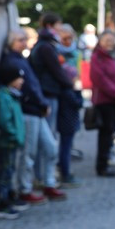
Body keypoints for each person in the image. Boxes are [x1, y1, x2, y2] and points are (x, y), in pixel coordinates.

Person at [0, 29, 64, 205]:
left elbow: (33, 84)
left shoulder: (21, 59)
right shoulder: (11, 61)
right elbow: (24, 88)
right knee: (28, 152)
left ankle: (48, 182)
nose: (23, 42)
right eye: (20, 40)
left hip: (36, 109)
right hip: (29, 110)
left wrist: (42, 103)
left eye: (24, 39)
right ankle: (25, 188)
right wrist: (40, 103)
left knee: (50, 147)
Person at [29, 13, 80, 184]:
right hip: (48, 94)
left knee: (47, 138)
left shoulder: (45, 45)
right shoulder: (46, 46)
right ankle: (42, 177)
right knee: (47, 140)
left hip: (48, 92)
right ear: (51, 26)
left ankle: (42, 176)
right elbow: (56, 71)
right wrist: (70, 85)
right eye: (59, 25)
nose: (61, 28)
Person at [0, 61, 26, 219]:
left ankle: (8, 198)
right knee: (5, 172)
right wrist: (13, 134)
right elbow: (5, 121)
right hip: (8, 141)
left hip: (13, 141)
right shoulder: (4, 97)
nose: (22, 81)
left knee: (9, 170)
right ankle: (3, 203)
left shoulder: (13, 96)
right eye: (18, 78)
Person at [90, 30, 115, 177]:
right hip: (105, 101)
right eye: (107, 41)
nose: (110, 43)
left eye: (112, 40)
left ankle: (109, 159)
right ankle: (102, 165)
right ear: (101, 42)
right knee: (105, 133)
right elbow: (99, 79)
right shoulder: (97, 57)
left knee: (113, 132)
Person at [54, 23, 83, 183]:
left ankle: (63, 163)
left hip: (71, 91)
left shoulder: (76, 52)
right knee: (63, 135)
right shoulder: (55, 52)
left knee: (68, 135)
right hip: (62, 93)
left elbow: (77, 73)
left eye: (70, 38)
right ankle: (63, 168)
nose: (67, 41)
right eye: (64, 38)